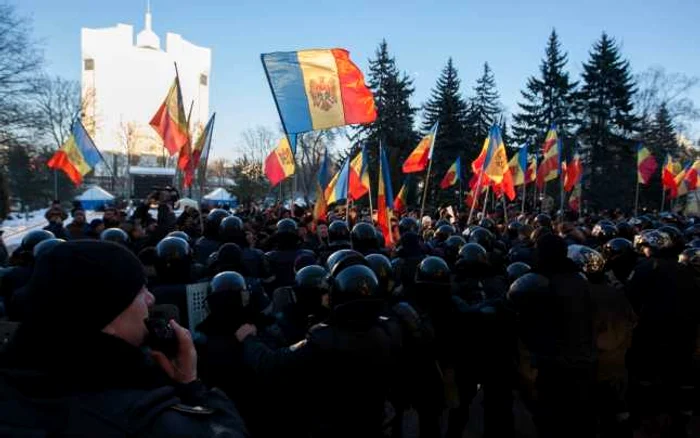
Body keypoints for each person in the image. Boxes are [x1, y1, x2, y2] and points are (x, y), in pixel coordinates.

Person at [0, 240, 249, 437]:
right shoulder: (144, 421)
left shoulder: (14, 386)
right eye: (140, 291)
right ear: (106, 314)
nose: (151, 300)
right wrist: (192, 386)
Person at [236, 264, 402, 438]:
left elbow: (272, 365)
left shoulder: (324, 340)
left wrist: (250, 340)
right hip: (374, 423)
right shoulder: (388, 331)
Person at [507, 234, 596, 438]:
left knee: (551, 420)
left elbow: (517, 303)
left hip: (555, 363)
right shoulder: (580, 279)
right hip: (584, 360)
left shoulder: (538, 281)